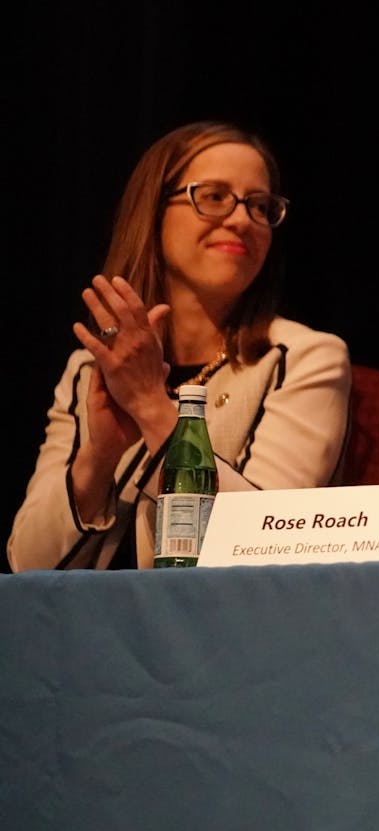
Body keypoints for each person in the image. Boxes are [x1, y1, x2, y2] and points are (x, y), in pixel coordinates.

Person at [8, 121, 351, 570]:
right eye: (213, 197)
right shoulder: (89, 368)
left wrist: (152, 407)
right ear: (153, 211)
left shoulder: (303, 358)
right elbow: (27, 565)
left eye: (260, 206)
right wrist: (99, 456)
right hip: (89, 630)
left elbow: (268, 542)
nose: (241, 219)